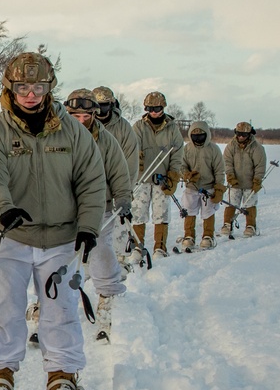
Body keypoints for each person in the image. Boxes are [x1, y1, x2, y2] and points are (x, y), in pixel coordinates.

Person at [0, 52, 106, 390]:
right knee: (3, 307)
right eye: (24, 87)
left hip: (60, 240)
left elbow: (91, 181)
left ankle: (62, 377)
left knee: (61, 311)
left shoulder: (72, 132)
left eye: (39, 87)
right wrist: (2, 209)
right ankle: (0, 376)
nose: (31, 95)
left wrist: (89, 227)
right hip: (11, 236)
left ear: (49, 88)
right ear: (10, 89)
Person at [64, 89, 132, 337]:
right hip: (63, 207)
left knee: (100, 251)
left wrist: (123, 197)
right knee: (58, 255)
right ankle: (50, 301)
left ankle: (109, 296)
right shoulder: (55, 137)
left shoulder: (106, 140)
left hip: (98, 207)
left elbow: (119, 172)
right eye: (75, 116)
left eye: (86, 116)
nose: (81, 121)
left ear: (94, 114)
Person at [131, 91, 185, 258]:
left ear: (163, 108)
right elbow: (132, 146)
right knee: (138, 212)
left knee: (161, 212)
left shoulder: (172, 128)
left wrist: (173, 174)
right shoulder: (139, 126)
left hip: (162, 178)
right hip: (142, 177)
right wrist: (137, 160)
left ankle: (159, 247)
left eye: (157, 108)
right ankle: (137, 247)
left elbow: (177, 153)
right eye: (150, 108)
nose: (153, 112)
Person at [93, 86, 140, 272]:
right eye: (96, 106)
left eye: (104, 106)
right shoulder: (85, 125)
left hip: (117, 183)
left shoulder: (123, 127)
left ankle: (120, 259)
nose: (100, 111)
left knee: (119, 221)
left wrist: (124, 190)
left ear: (111, 105)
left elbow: (130, 159)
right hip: (93, 185)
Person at [179, 121, 226, 250]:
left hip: (208, 187)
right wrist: (187, 174)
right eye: (194, 135)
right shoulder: (187, 149)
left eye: (200, 134)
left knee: (208, 212)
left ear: (206, 134)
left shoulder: (213, 149)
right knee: (189, 210)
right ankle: (189, 236)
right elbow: (181, 166)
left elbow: (219, 170)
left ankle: (208, 236)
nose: (197, 137)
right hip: (191, 187)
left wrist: (219, 188)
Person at [221, 122, 267, 238]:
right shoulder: (231, 146)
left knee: (250, 204)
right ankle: (227, 224)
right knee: (231, 203)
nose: (241, 137)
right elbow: (227, 162)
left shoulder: (256, 147)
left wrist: (257, 180)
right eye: (239, 134)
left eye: (244, 134)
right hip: (234, 182)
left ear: (249, 134)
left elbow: (260, 165)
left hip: (250, 183)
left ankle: (250, 226)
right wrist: (230, 176)